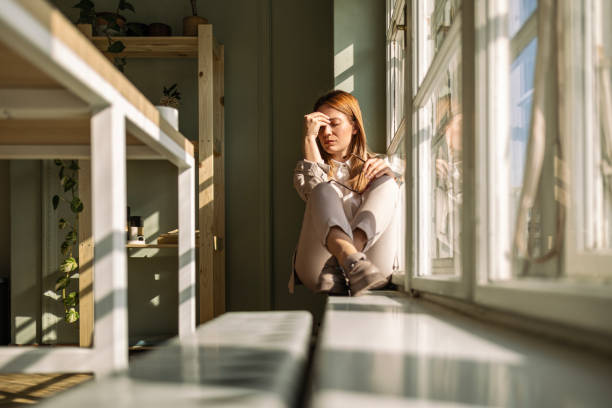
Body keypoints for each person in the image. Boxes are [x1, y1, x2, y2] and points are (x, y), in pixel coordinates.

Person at [289, 90, 401, 296]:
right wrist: (308, 138)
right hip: (319, 268)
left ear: (355, 127)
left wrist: (393, 177)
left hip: (371, 267)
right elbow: (312, 191)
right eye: (321, 127)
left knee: (388, 183)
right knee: (322, 189)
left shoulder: (380, 165)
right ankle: (348, 258)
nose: (326, 133)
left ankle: (348, 259)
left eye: (334, 123)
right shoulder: (305, 170)